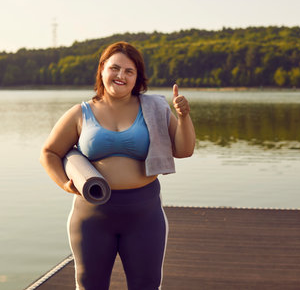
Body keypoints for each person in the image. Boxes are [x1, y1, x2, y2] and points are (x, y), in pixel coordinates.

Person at [39, 41, 196, 290]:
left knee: (146, 286)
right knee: (90, 286)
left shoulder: (155, 109)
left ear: (137, 78)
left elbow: (184, 150)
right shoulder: (80, 113)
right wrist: (64, 184)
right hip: (92, 215)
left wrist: (184, 117)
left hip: (144, 214)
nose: (120, 75)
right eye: (115, 68)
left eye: (129, 71)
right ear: (102, 70)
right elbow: (49, 152)